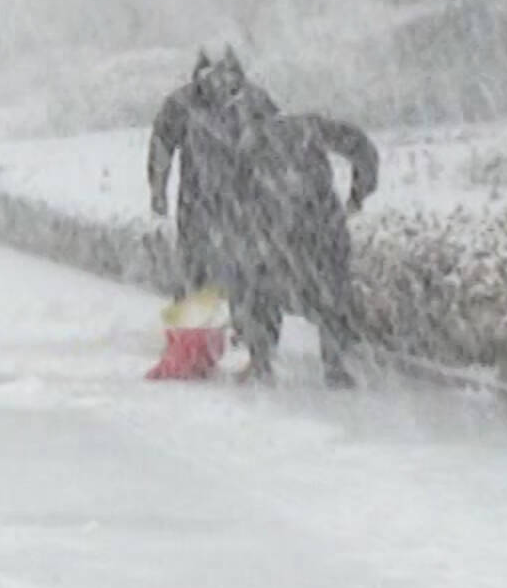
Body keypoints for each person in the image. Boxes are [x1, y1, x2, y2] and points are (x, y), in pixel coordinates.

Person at [227, 105, 380, 385]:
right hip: (321, 223)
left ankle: (261, 363)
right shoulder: (313, 127)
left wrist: (249, 225)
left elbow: (239, 193)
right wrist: (359, 193)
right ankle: (335, 366)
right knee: (332, 292)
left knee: (262, 290)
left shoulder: (251, 140)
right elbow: (362, 148)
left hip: (278, 229)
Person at [144, 48, 276, 300]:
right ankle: (197, 328)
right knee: (199, 266)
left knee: (249, 269)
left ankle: (252, 331)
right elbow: (161, 146)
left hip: (246, 202)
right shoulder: (182, 103)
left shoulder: (255, 102)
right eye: (212, 74)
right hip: (199, 202)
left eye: (224, 73)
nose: (218, 81)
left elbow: (278, 147)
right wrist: (158, 190)